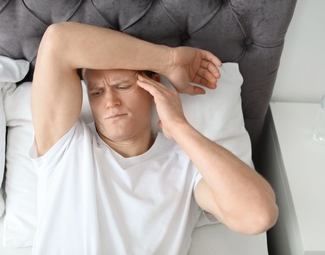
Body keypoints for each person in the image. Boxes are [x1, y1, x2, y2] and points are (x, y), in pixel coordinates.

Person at [30, 22, 278, 254]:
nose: (110, 102)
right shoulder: (65, 148)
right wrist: (169, 61)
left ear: (154, 86)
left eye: (123, 86)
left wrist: (179, 127)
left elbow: (258, 215)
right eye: (96, 92)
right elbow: (58, 40)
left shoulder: (185, 166)